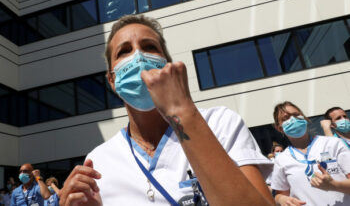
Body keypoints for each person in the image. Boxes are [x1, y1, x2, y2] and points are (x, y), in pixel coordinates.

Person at [58, 14, 274, 206]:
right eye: (124, 51)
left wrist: (181, 112)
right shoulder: (98, 161)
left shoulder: (220, 123)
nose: (138, 57)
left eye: (149, 47)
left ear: (167, 65)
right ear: (112, 80)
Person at [271, 101, 350, 206]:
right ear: (279, 128)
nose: (293, 120)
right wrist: (282, 199)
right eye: (286, 118)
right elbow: (279, 194)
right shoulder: (281, 160)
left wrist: (334, 185)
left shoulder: (333, 143)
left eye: (295, 115)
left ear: (304, 117)